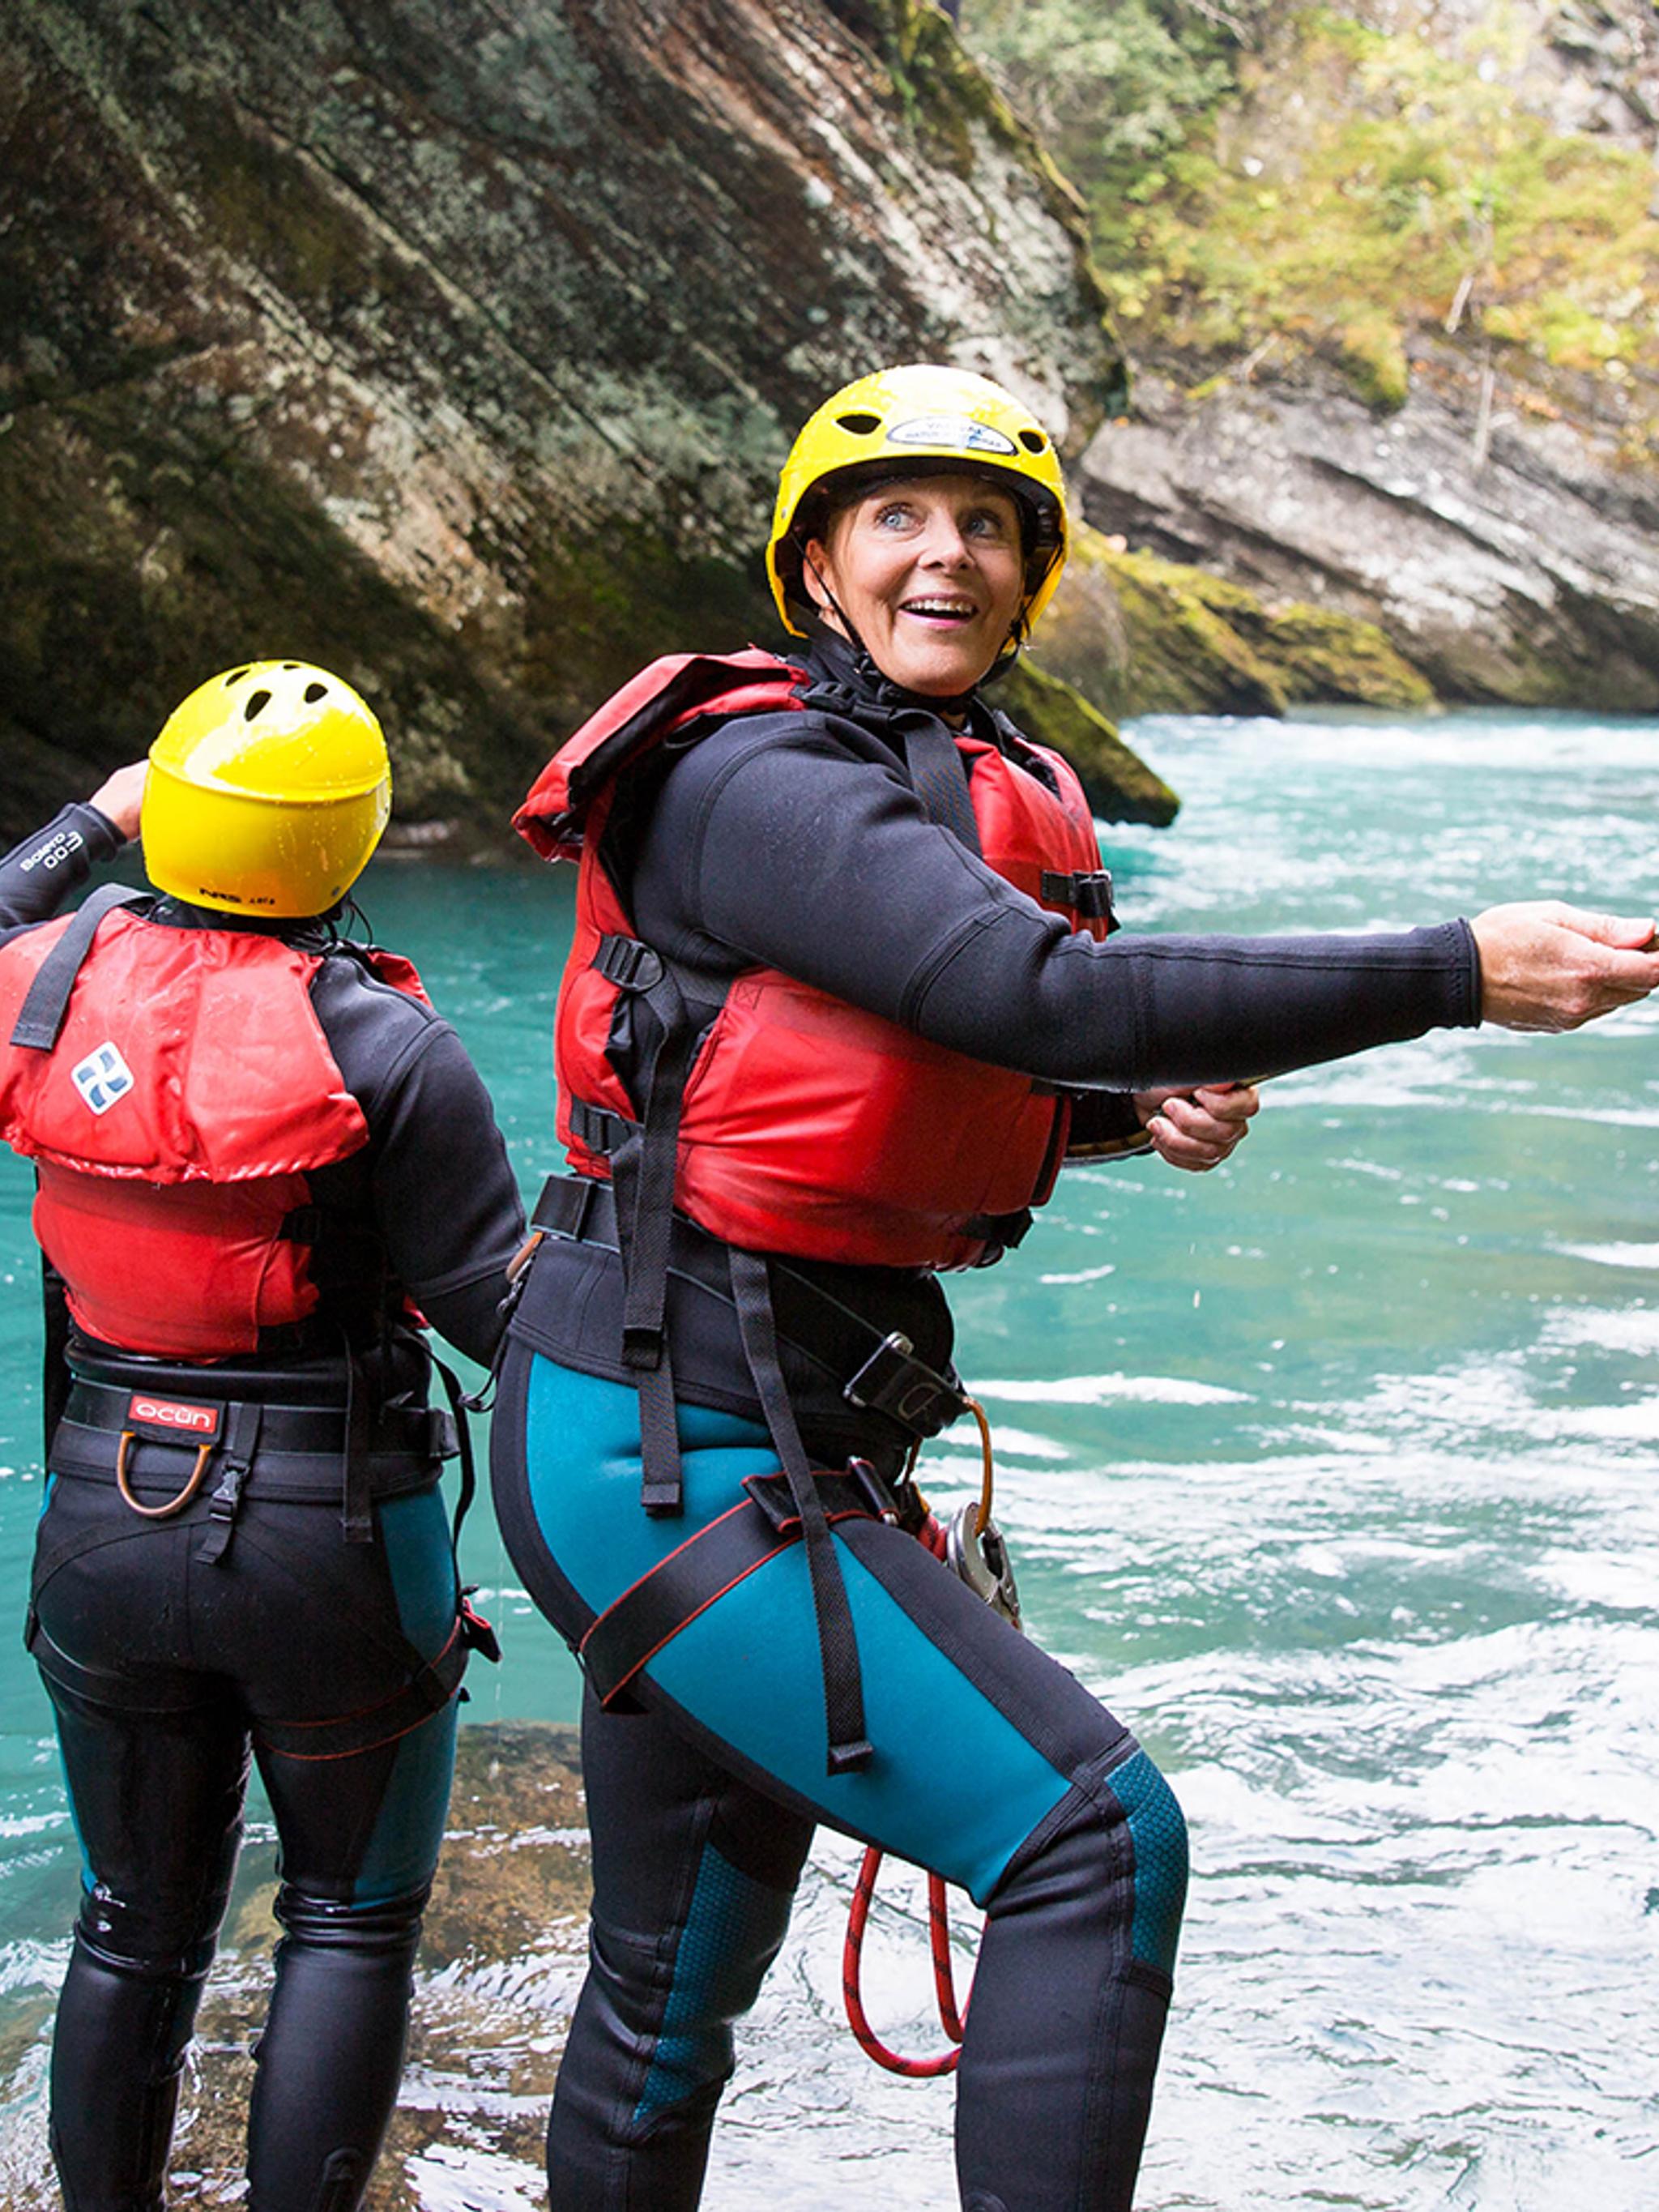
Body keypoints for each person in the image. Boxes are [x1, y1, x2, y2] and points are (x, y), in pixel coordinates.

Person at [490, 364, 1657, 2212]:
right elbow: (1019, 996)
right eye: (897, 518)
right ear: (814, 563)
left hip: (734, 1419)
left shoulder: (951, 786)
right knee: (1092, 1839)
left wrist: (1117, 1116)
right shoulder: (753, 775)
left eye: (989, 527)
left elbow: (923, 1072)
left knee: (666, 1985)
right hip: (662, 1438)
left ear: (1033, 579)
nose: (944, 555)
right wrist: (1451, 968)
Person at [0, 663, 526, 2211]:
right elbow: (503, 1316)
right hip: (336, 1534)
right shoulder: (391, 1047)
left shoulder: (39, 984)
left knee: (128, 1924)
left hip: (100, 1513)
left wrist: (94, 818)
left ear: (175, 807)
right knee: (350, 1917)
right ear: (349, 841)